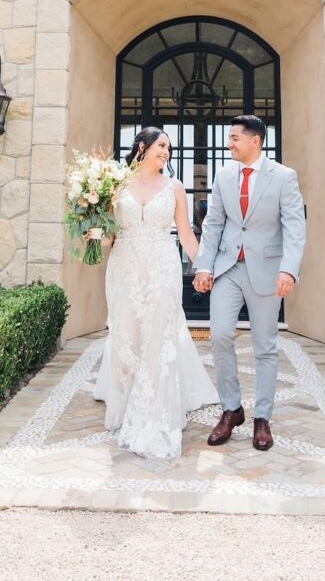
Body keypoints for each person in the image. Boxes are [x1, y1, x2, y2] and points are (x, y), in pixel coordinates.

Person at [92, 126, 218, 459]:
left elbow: (188, 235)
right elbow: (109, 237)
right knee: (127, 336)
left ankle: (157, 411)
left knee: (158, 339)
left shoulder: (175, 187)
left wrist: (204, 266)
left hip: (163, 268)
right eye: (161, 145)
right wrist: (91, 231)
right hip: (125, 269)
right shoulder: (116, 185)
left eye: (170, 148)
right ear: (143, 147)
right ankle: (127, 401)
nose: (166, 152)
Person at [192, 115, 306, 452]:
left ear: (255, 140)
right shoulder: (224, 176)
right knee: (221, 335)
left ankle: (262, 418)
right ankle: (232, 409)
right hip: (228, 268)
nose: (229, 144)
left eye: (234, 138)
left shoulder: (284, 177)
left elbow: (295, 226)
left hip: (268, 272)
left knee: (265, 346)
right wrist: (203, 267)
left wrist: (289, 270)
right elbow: (213, 224)